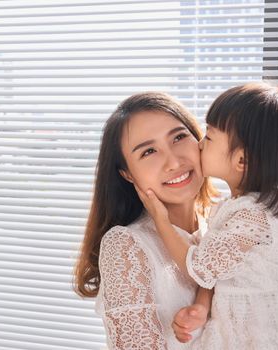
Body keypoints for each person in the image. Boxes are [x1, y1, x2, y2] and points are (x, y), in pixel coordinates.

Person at [137, 82, 278, 349]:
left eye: (208, 137)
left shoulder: (254, 216)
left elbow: (198, 266)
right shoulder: (240, 207)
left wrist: (160, 219)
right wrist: (201, 304)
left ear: (241, 160)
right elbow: (219, 271)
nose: (199, 145)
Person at [73, 92, 217, 349]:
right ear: (127, 174)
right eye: (149, 151)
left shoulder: (226, 224)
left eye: (179, 137)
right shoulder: (127, 246)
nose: (174, 162)